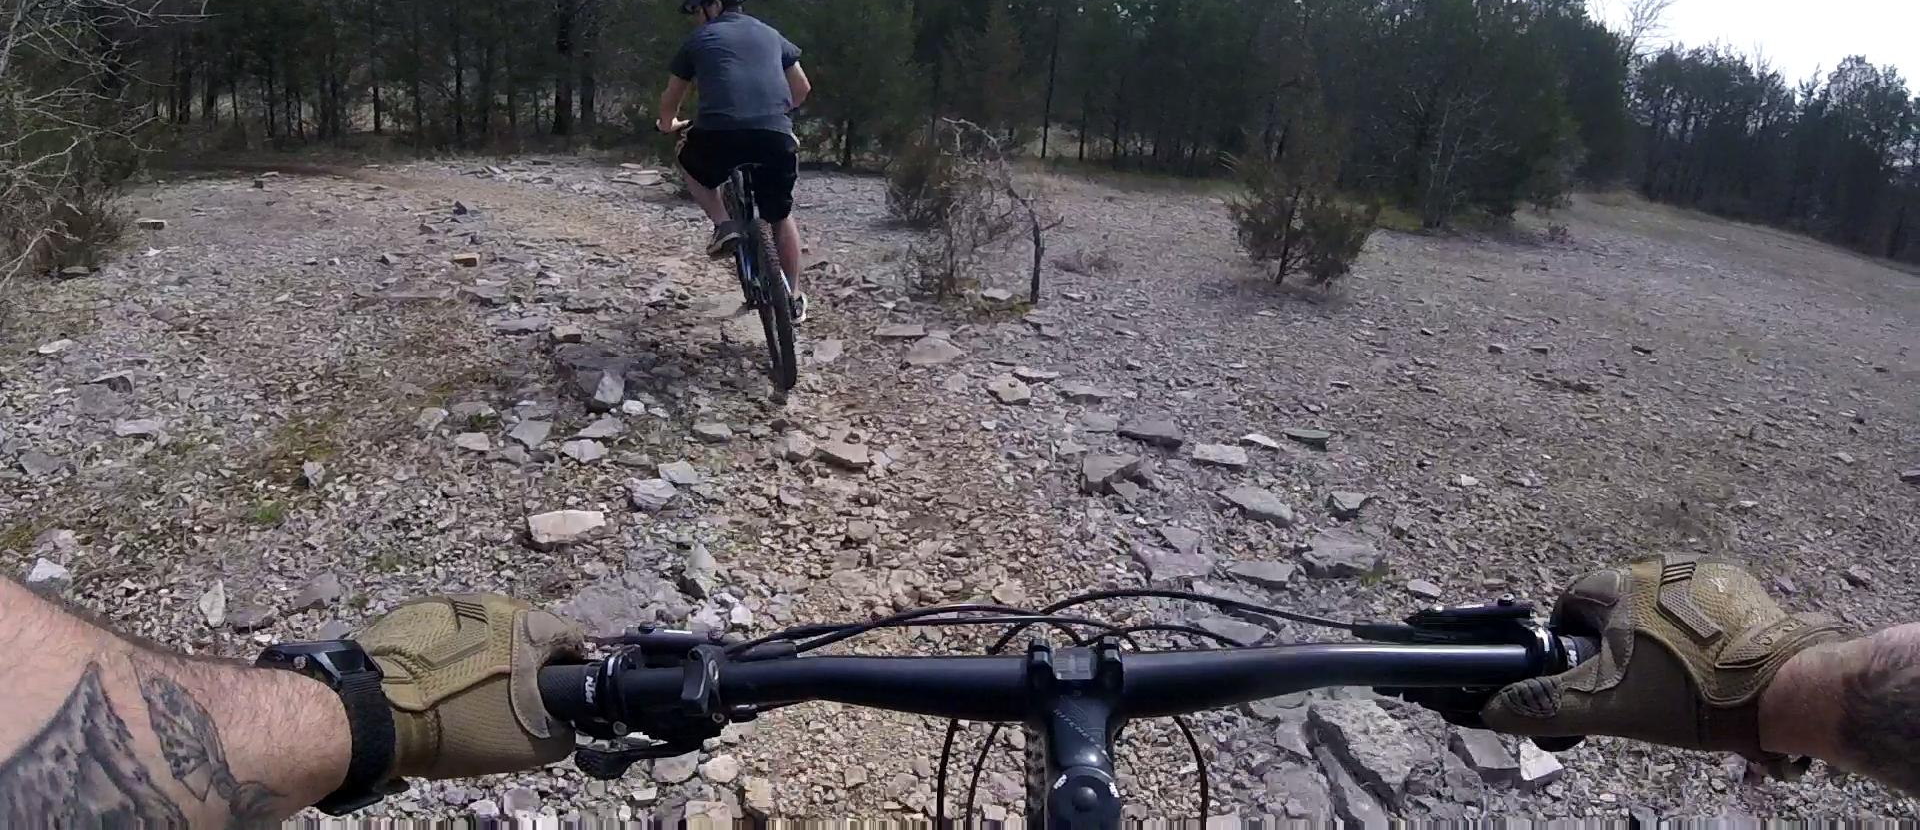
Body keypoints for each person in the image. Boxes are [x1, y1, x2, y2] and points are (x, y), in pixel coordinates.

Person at [2, 556, 1916, 824]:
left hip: (710, 146)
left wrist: (372, 703)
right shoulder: (767, 61)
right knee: (771, 194)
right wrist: (1785, 696)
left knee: (729, 183)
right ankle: (785, 258)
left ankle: (749, 240)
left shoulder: (707, 63)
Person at [658, 0, 813, 323]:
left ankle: (723, 224)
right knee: (781, 215)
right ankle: (793, 295)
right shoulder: (772, 35)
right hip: (774, 132)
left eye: (697, 10)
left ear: (713, 5)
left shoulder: (698, 41)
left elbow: (671, 100)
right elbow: (802, 89)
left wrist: (668, 125)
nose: (697, 19)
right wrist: (774, 113)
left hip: (718, 133)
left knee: (686, 157)